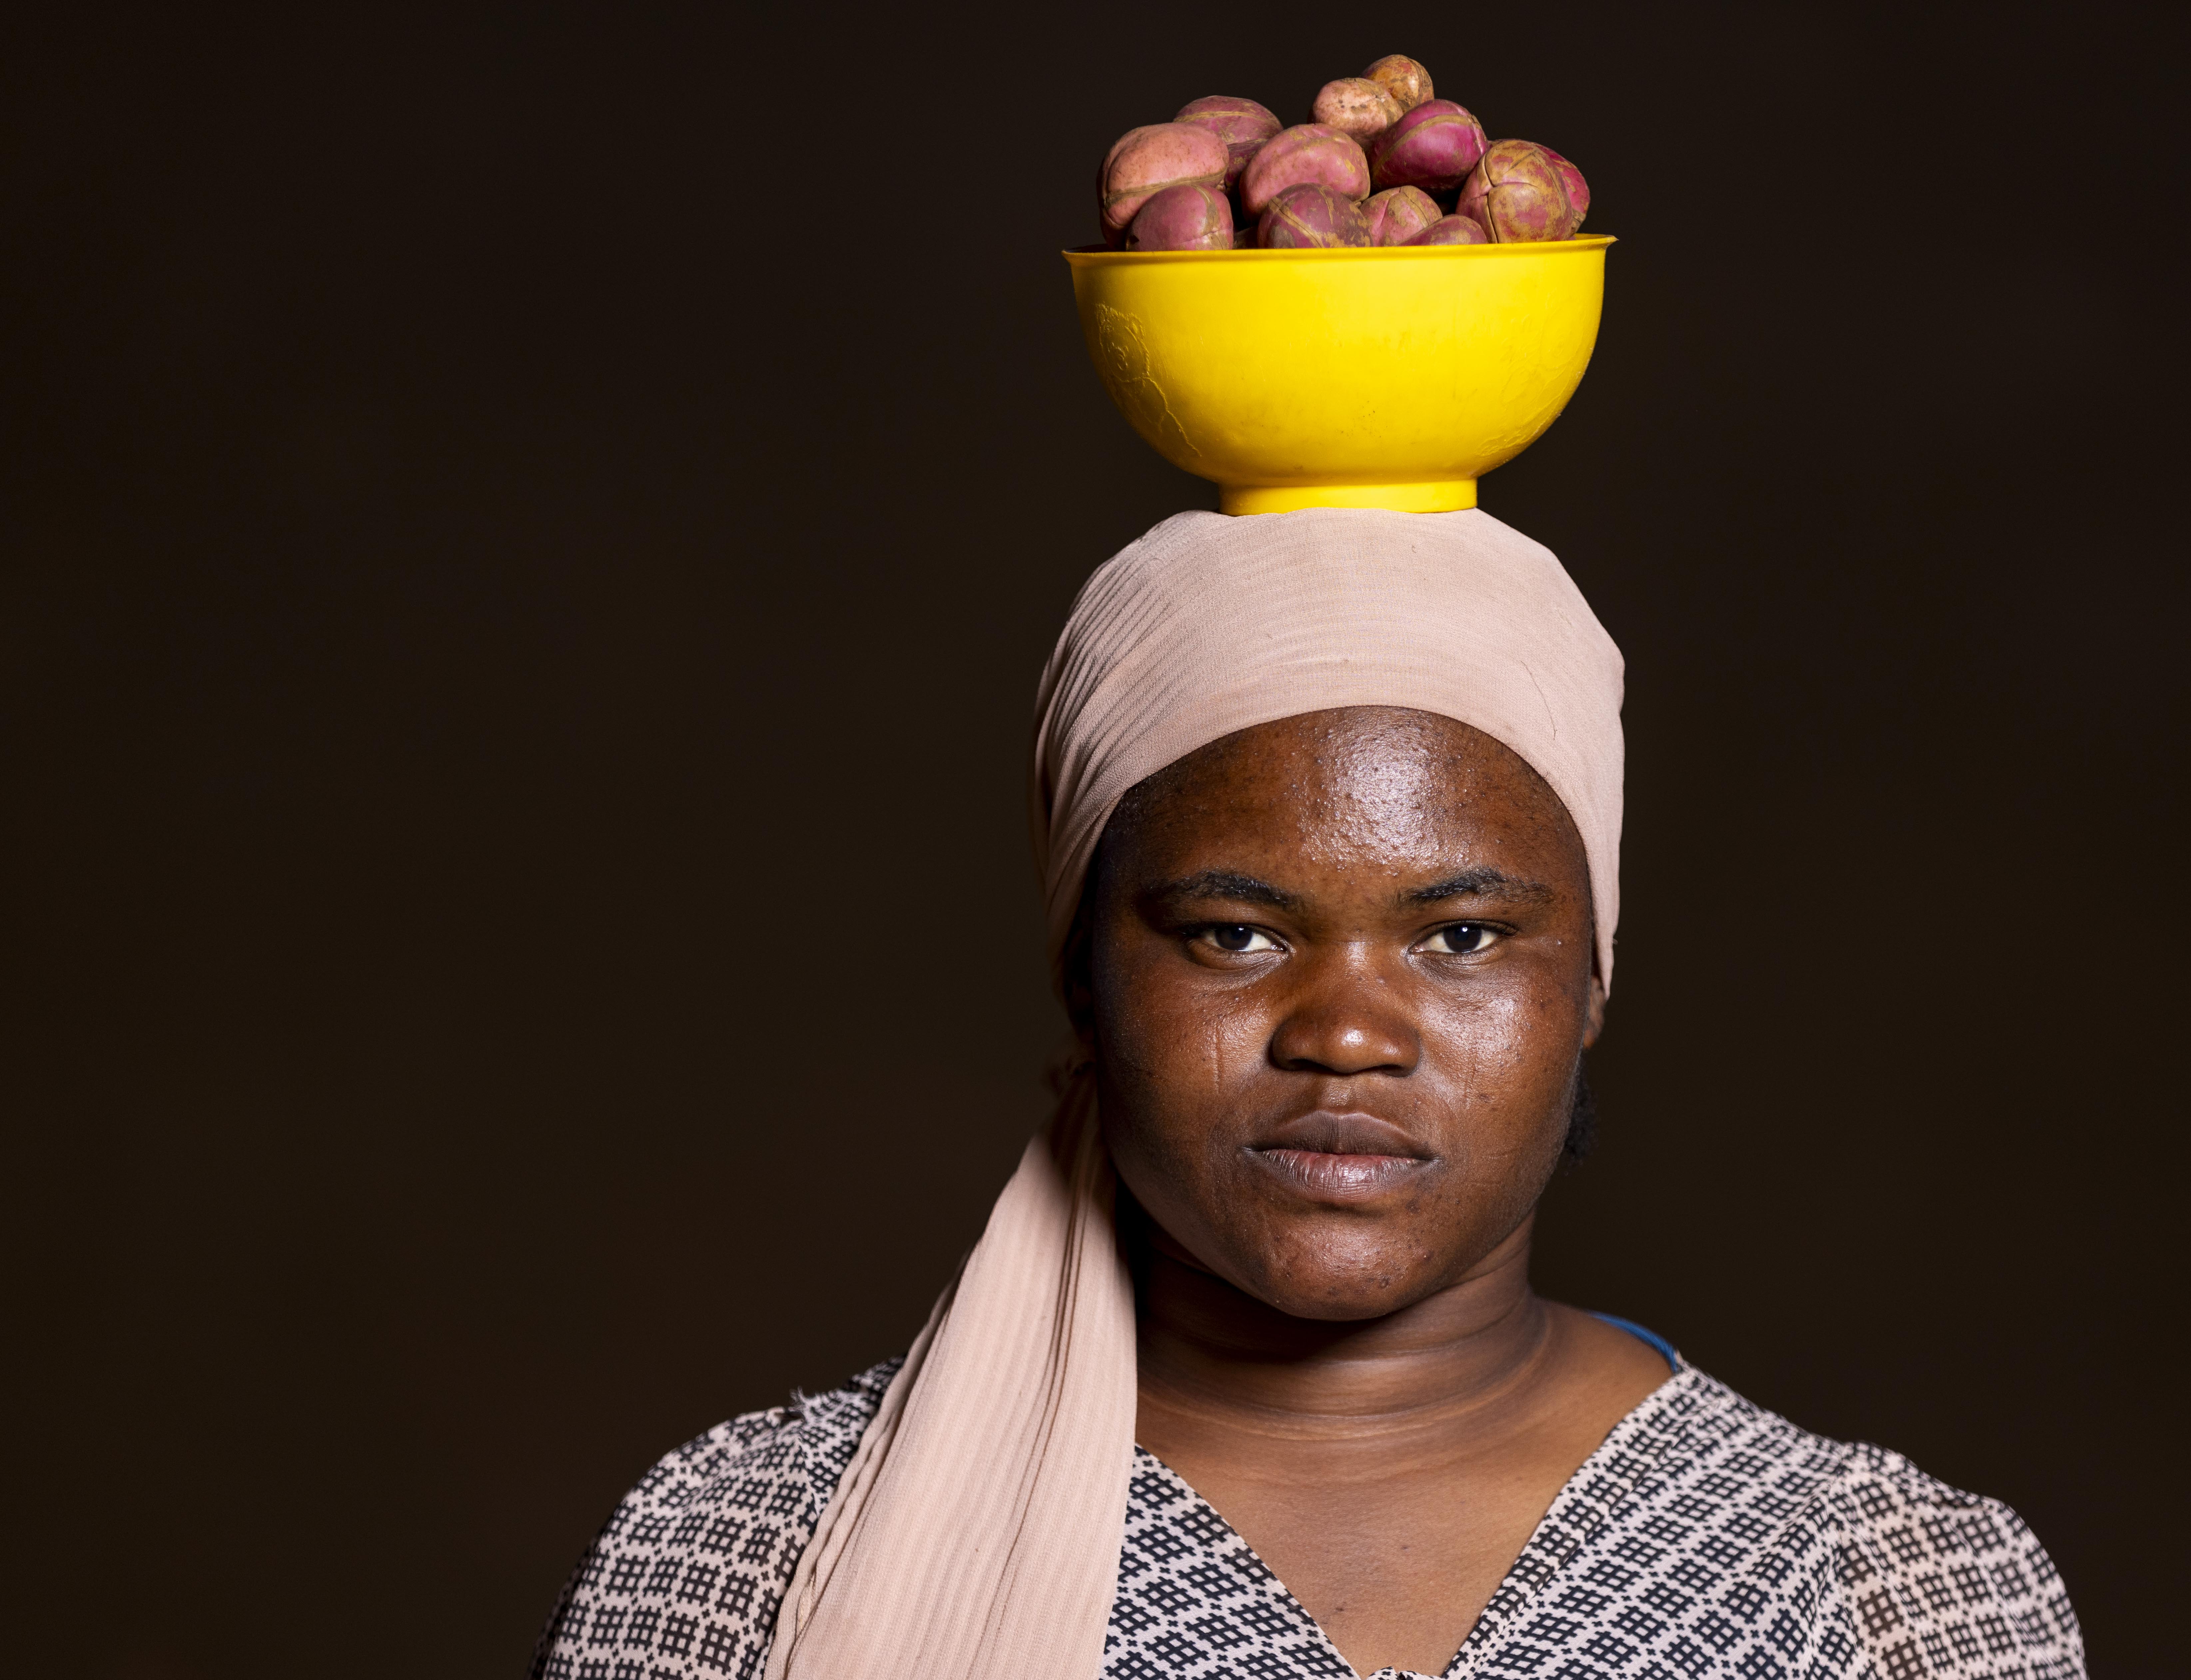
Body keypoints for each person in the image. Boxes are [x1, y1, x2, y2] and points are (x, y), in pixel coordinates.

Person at [532, 508, 2086, 1680]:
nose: (1346, 1034)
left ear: (1593, 979)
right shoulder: (751, 1561)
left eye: (1462, 935)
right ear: (1084, 972)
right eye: (1234, 934)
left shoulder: (1889, 1595)